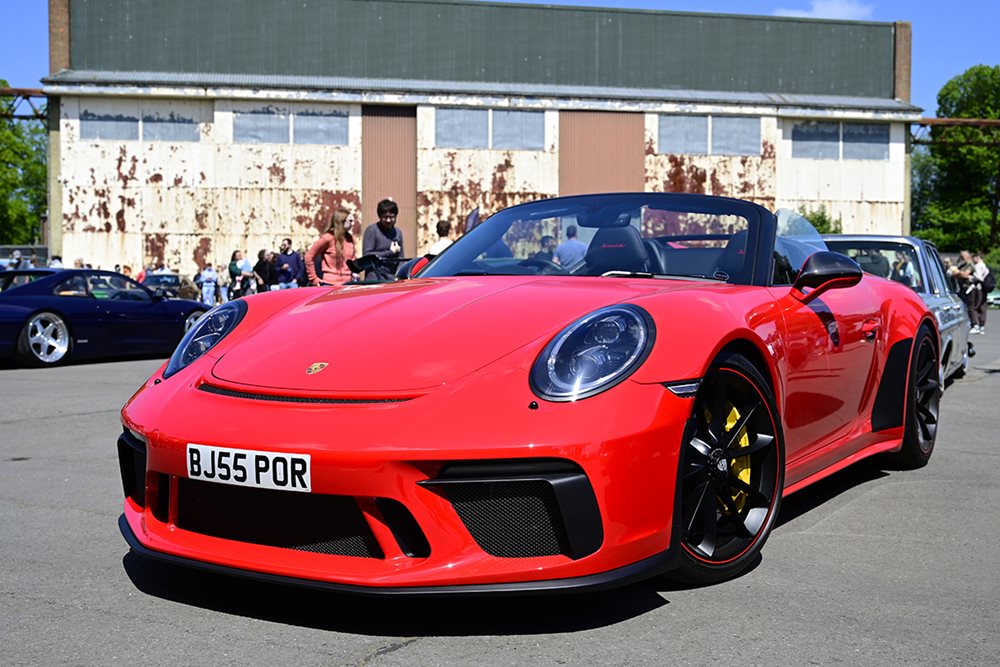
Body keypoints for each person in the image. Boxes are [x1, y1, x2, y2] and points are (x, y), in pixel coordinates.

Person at [305, 208, 358, 285]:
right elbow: (309, 256)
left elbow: (352, 260)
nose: (352, 224)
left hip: (348, 284)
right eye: (350, 221)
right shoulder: (327, 238)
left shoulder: (350, 239)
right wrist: (313, 278)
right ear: (341, 221)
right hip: (330, 284)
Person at [361, 199, 403, 281]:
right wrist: (389, 253)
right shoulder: (372, 230)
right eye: (385, 217)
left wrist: (399, 275)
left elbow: (401, 258)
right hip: (375, 278)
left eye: (391, 217)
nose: (388, 220)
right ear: (380, 217)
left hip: (392, 278)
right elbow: (367, 256)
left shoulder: (398, 232)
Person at [969, 252, 991, 334]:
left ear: (977, 257)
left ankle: (976, 325)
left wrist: (971, 276)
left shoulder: (978, 266)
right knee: (982, 306)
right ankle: (982, 325)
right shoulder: (984, 265)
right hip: (983, 288)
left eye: (974, 258)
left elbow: (979, 277)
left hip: (978, 288)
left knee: (975, 306)